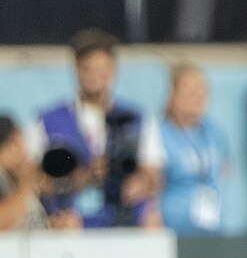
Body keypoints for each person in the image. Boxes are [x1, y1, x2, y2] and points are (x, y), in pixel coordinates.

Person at [31, 29, 165, 230]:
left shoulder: (136, 119)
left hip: (122, 218)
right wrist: (78, 180)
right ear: (76, 68)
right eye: (88, 70)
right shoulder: (48, 121)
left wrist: (140, 183)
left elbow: (154, 176)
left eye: (102, 70)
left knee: (152, 220)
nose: (95, 78)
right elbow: (34, 181)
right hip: (71, 220)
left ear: (113, 69)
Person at [158, 63, 231, 235]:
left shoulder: (214, 131)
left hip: (212, 227)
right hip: (174, 228)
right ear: (173, 95)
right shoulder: (160, 134)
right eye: (190, 92)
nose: (198, 98)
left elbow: (226, 167)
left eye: (202, 91)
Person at [0, 116, 51, 231]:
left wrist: (54, 227)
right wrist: (25, 186)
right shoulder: (5, 178)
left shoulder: (16, 178)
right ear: (13, 143)